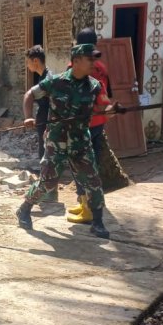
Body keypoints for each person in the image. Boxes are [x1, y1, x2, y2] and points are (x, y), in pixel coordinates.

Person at [16, 44, 114, 239]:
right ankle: (25, 208)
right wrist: (28, 116)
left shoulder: (94, 86)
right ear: (76, 61)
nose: (94, 63)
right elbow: (29, 95)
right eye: (90, 59)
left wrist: (111, 110)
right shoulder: (55, 82)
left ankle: (98, 222)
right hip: (56, 141)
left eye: (94, 59)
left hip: (80, 141)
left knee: (93, 180)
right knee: (48, 182)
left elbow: (103, 106)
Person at [67, 27, 112, 224]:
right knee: (91, 164)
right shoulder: (100, 67)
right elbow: (104, 97)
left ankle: (87, 207)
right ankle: (85, 202)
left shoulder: (76, 68)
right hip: (98, 122)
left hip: (82, 124)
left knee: (79, 165)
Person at [24, 45, 52, 160]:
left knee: (46, 155)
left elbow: (28, 95)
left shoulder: (48, 79)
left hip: (47, 122)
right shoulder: (43, 76)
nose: (27, 65)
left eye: (28, 62)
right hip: (44, 120)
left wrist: (28, 117)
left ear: (35, 61)